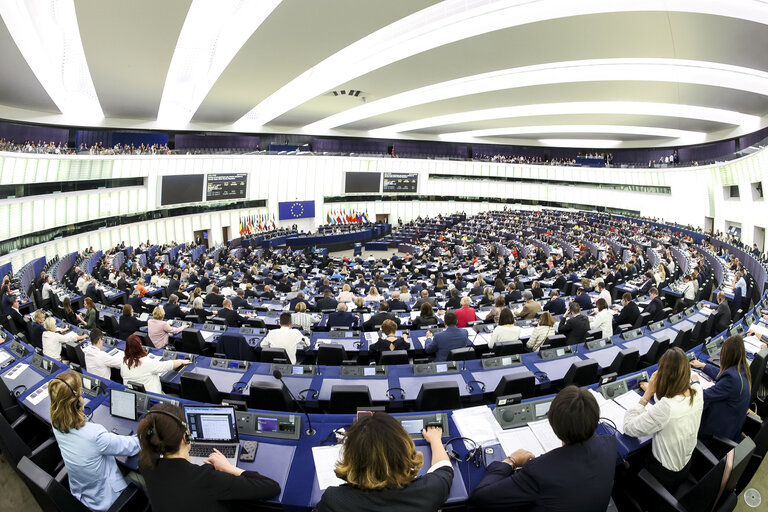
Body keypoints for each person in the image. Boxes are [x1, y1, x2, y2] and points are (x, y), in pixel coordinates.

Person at [471, 386, 617, 511]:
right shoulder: (611, 443)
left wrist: (510, 461)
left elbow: (481, 498)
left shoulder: (538, 471)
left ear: (553, 424)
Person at [138, 403, 280, 512]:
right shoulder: (208, 478)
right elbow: (272, 487)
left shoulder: (145, 463)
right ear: (185, 437)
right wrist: (229, 468)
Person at [315, 412, 452, 512]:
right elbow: (444, 468)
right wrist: (435, 440)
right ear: (404, 450)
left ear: (351, 457)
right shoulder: (431, 489)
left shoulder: (333, 500)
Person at [49, 370, 140, 512]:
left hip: (83, 495)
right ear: (78, 402)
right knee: (146, 483)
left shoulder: (56, 424)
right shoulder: (95, 434)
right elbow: (132, 446)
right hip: (107, 500)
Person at [624, 347, 703, 490]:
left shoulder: (666, 407)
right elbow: (671, 401)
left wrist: (647, 394)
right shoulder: (697, 392)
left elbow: (629, 427)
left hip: (664, 475)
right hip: (686, 465)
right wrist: (655, 390)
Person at [690, 335, 751, 441]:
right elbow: (722, 374)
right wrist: (703, 366)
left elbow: (702, 396)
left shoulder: (731, 379)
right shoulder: (741, 370)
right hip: (731, 426)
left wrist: (695, 382)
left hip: (715, 435)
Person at [120, 335, 190, 393]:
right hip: (155, 399)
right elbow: (168, 365)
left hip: (135, 397)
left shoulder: (124, 363)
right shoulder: (146, 362)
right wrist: (181, 361)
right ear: (140, 345)